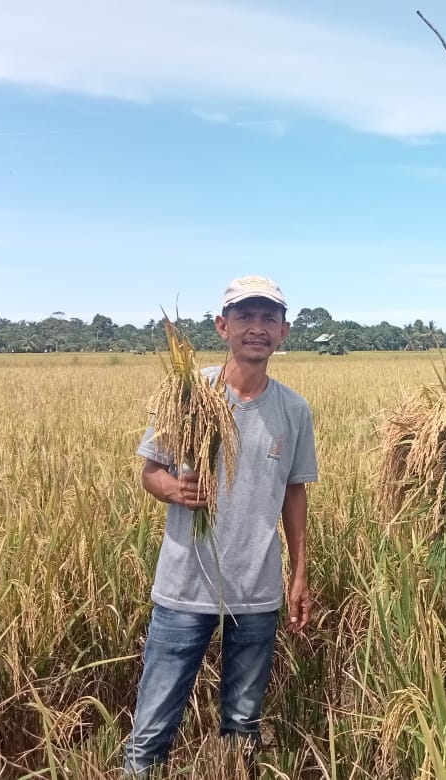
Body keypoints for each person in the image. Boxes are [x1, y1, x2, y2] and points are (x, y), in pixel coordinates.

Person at [124, 275, 318, 775]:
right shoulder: (189, 393)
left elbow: (293, 493)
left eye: (268, 318)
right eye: (245, 317)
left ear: (284, 331)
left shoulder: (294, 411)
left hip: (255, 591)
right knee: (150, 734)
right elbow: (150, 472)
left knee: (241, 726)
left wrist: (299, 573)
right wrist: (175, 489)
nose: (257, 328)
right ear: (222, 325)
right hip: (184, 588)